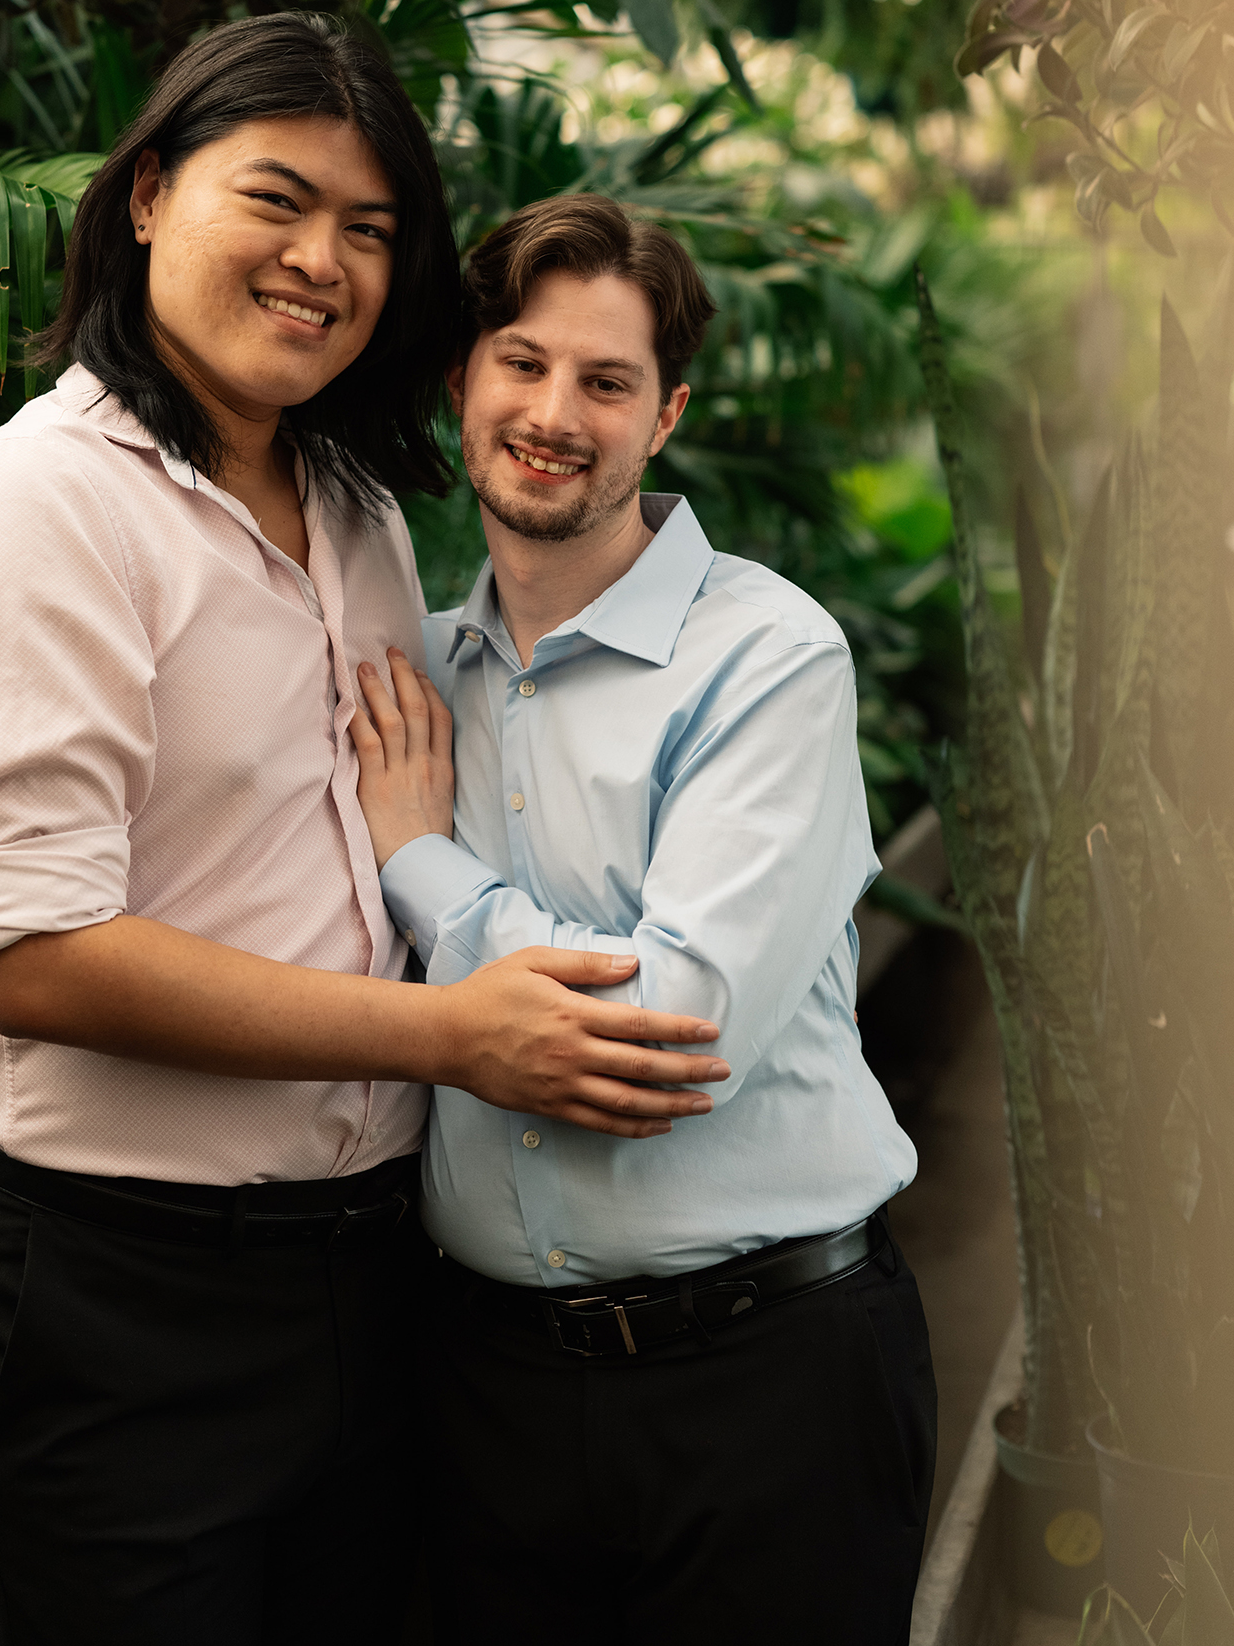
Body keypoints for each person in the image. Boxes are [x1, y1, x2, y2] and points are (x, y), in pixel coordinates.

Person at [0, 31, 727, 1646]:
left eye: (373, 228)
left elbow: (204, 872)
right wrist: (451, 1034)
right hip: (124, 1298)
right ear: (143, 199)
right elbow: (43, 951)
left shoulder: (358, 512)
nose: (322, 261)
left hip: (375, 1282)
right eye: (277, 198)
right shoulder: (34, 510)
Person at [347, 193, 935, 1643]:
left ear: (664, 414)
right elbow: (232, 919)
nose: (556, 413)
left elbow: (660, 1041)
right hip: (479, 1391)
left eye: (606, 382)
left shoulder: (769, 658)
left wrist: (424, 864)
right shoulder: (408, 674)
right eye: (523, 364)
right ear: (462, 382)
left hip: (769, 1385)